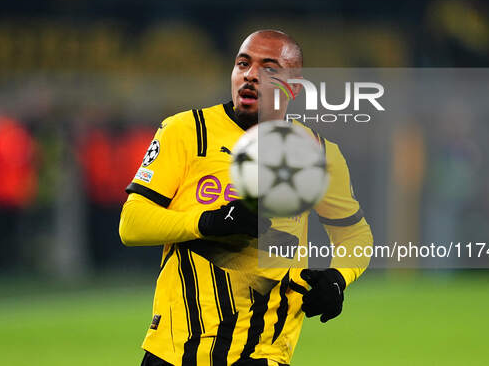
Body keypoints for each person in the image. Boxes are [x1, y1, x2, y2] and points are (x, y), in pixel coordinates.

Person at [119, 30, 373, 366]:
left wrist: (338, 278)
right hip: (174, 350)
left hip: (262, 352)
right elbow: (131, 224)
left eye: (269, 69)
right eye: (243, 64)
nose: (250, 75)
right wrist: (208, 222)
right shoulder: (185, 130)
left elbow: (356, 234)